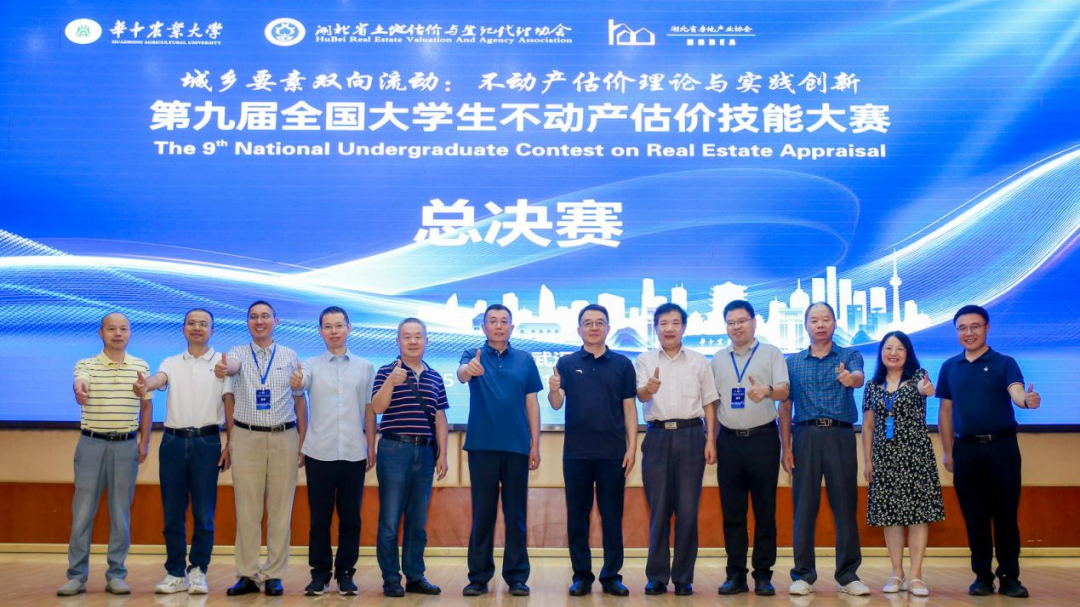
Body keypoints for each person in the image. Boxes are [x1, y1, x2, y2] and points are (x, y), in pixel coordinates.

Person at [937, 304, 1039, 598]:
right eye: (962, 328)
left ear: (987, 328)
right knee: (975, 517)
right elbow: (945, 412)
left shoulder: (1004, 362)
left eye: (975, 326)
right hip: (966, 451)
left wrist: (1026, 400)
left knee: (1005, 516)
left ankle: (1009, 578)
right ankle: (982, 577)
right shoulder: (949, 367)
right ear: (957, 331)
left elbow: (1016, 391)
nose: (968, 332)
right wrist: (948, 451)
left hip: (1002, 449)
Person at [133, 309, 228, 595]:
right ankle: (174, 572)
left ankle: (198, 570)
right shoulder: (171, 362)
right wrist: (146, 384)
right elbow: (159, 379)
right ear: (183, 328)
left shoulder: (222, 364)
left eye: (203, 324)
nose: (197, 327)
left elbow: (231, 403)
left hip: (207, 442)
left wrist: (231, 443)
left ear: (212, 330)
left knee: (204, 512)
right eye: (191, 323)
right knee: (173, 512)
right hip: (173, 442)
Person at [57, 312, 152, 597]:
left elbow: (146, 406)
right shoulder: (85, 364)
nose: (118, 333)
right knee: (82, 512)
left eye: (123, 328)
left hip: (125, 445)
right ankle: (76, 576)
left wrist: (145, 441)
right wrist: (79, 389)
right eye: (112, 329)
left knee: (120, 513)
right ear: (101, 333)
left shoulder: (141, 366)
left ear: (130, 333)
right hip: (91, 444)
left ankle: (117, 574)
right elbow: (80, 382)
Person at [217, 300, 307, 596]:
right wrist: (230, 440)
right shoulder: (237, 353)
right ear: (247, 322)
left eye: (265, 316)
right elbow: (229, 380)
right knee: (247, 509)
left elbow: (300, 401)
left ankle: (274, 574)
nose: (259, 321)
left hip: (284, 437)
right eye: (254, 317)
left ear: (276, 321)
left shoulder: (290, 355)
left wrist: (302, 442)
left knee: (281, 510)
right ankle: (247, 574)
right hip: (246, 437)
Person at [780, 302, 870, 596]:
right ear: (806, 325)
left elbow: (858, 377)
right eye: (814, 320)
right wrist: (786, 447)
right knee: (804, 508)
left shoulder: (849, 355)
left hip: (840, 435)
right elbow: (785, 407)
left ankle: (848, 576)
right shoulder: (792, 362)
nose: (820, 325)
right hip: (804, 436)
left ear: (834, 323)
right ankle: (803, 575)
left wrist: (850, 379)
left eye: (826, 319)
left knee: (844, 506)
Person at [548, 304, 637, 597]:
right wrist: (553, 388)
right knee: (578, 518)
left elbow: (629, 408)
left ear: (608, 328)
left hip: (613, 454)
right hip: (576, 454)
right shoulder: (566, 362)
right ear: (579, 330)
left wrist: (632, 447)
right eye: (588, 323)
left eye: (600, 322)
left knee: (612, 517)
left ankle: (611, 576)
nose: (594, 327)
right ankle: (582, 576)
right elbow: (556, 403)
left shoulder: (623, 364)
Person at [634, 303, 719, 596]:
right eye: (663, 323)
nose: (669, 328)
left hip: (691, 435)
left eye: (674, 323)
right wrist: (649, 388)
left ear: (684, 327)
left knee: (687, 510)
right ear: (656, 328)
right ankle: (657, 576)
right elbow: (640, 394)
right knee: (658, 510)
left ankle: (683, 577)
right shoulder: (644, 359)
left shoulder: (699, 361)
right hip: (657, 437)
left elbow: (709, 402)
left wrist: (711, 440)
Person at [457, 304, 542, 597]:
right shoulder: (472, 354)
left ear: (512, 327)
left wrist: (535, 443)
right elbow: (461, 374)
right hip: (482, 446)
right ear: (484, 327)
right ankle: (478, 577)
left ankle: (517, 577)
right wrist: (469, 369)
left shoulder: (525, 359)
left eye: (504, 321)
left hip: (517, 447)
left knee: (515, 514)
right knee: (483, 514)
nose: (498, 325)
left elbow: (532, 403)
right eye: (492, 321)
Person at [289, 306, 375, 596]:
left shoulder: (365, 367)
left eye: (339, 325)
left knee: (351, 518)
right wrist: (297, 383)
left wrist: (371, 445)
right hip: (319, 452)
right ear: (320, 331)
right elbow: (301, 384)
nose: (334, 331)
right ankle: (320, 573)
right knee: (319, 518)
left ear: (349, 328)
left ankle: (346, 573)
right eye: (328, 326)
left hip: (353, 452)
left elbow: (370, 409)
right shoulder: (310, 365)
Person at [708, 300, 789, 597]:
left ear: (754, 322)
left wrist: (767, 390)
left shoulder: (771, 353)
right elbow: (711, 403)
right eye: (731, 322)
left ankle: (763, 575)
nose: (736, 327)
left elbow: (784, 391)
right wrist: (711, 440)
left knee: (765, 511)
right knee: (733, 512)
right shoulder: (718, 359)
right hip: (729, 441)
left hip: (763, 439)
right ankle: (736, 574)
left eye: (742, 321)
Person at [369, 318, 449, 597]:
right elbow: (377, 408)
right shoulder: (385, 371)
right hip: (394, 449)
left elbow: (440, 417)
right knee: (390, 519)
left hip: (425, 452)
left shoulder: (435, 376)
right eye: (407, 336)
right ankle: (391, 578)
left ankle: (415, 576)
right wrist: (391, 382)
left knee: (417, 520)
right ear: (398, 341)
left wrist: (443, 454)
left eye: (418, 336)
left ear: (426, 340)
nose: (413, 341)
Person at [861, 331, 944, 597]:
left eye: (899, 348)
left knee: (919, 516)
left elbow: (925, 389)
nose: (893, 353)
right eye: (888, 348)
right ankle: (897, 573)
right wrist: (867, 460)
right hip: (884, 458)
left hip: (916, 456)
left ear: (908, 352)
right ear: (881, 353)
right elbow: (868, 426)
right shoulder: (872, 386)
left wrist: (926, 389)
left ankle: (916, 575)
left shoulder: (919, 376)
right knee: (890, 516)